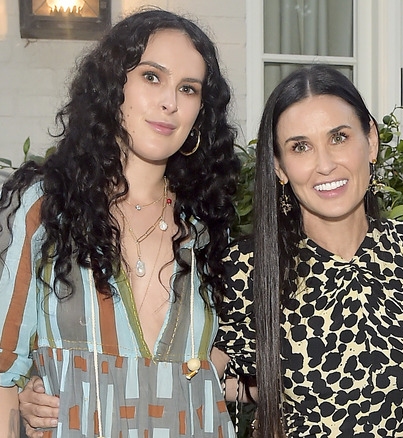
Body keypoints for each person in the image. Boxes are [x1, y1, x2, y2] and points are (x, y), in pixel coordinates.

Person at [0, 9, 240, 437]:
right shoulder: (45, 206)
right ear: (112, 85)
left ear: (200, 113)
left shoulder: (207, 226)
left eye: (188, 88)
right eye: (152, 76)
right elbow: (2, 372)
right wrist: (24, 395)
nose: (170, 101)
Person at [213, 65, 403, 437]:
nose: (324, 165)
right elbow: (194, 374)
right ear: (278, 166)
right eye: (300, 147)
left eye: (338, 137)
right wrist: (269, 395)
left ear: (370, 140)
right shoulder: (249, 268)